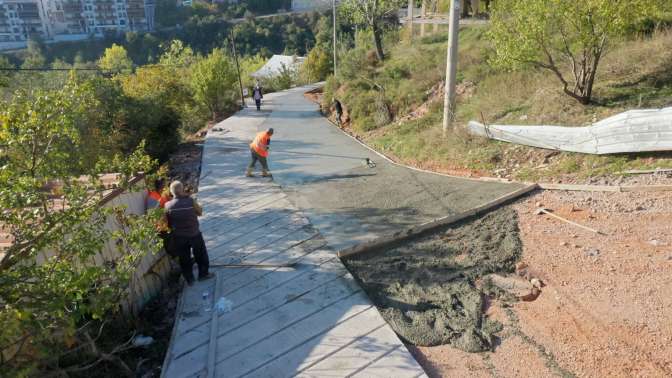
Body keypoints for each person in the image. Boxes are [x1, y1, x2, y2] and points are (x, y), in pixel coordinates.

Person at [164, 181, 212, 285]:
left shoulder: (167, 205)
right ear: (182, 190)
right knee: (201, 254)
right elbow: (200, 212)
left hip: (179, 237)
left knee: (184, 258)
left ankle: (190, 280)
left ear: (171, 192)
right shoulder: (190, 201)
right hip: (194, 233)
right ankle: (203, 274)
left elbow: (167, 222)